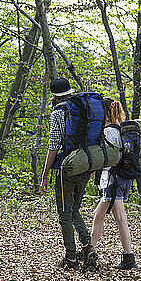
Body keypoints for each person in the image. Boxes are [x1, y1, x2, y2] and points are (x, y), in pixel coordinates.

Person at [41, 78, 98, 270]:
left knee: (65, 214)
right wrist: (94, 167)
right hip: (86, 164)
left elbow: (54, 146)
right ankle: (88, 248)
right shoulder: (83, 108)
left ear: (54, 96)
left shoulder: (58, 113)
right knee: (74, 210)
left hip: (68, 168)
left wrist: (44, 173)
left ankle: (71, 258)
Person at [89, 98, 137, 270]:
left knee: (120, 219)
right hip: (122, 179)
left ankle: (128, 256)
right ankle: (90, 250)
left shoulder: (110, 131)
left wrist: (98, 166)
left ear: (106, 112)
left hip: (113, 180)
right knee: (98, 215)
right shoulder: (120, 129)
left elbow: (111, 157)